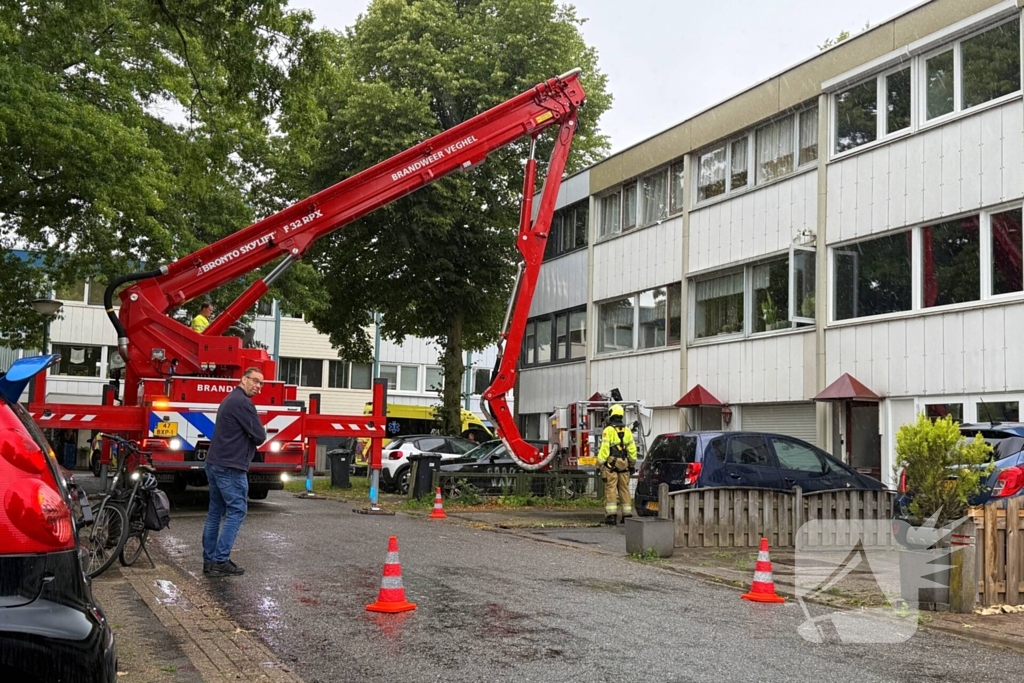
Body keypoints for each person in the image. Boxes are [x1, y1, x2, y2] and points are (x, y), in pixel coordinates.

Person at [202, 367, 266, 577]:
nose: (258, 386)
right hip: (231, 466)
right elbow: (259, 435)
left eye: (261, 383)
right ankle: (220, 560)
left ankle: (209, 561)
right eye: (255, 381)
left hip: (215, 462)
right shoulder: (243, 403)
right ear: (243, 379)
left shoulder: (230, 399)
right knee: (237, 510)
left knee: (215, 512)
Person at [596, 404, 637, 525]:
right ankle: (627, 515)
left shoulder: (608, 430)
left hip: (611, 465)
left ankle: (611, 516)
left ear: (611, 415)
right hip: (624, 465)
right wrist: (632, 464)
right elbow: (632, 450)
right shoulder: (628, 431)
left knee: (611, 489)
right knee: (624, 489)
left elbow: (604, 450)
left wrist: (598, 465)